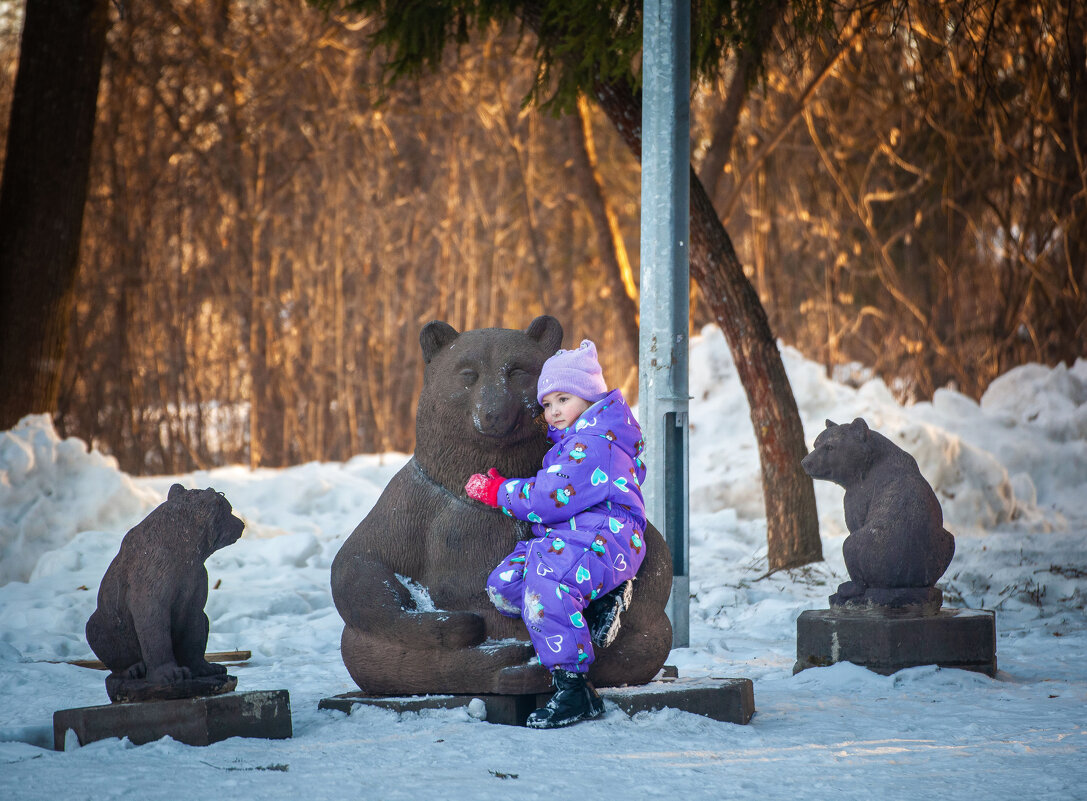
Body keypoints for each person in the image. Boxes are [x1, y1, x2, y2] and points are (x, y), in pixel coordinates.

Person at [465, 339, 647, 728]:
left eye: (563, 399)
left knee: (545, 587)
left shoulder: (593, 444)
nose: (553, 412)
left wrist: (500, 492)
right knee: (504, 585)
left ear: (589, 396)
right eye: (547, 404)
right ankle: (598, 600)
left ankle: (574, 687)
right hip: (569, 540)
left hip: (606, 535)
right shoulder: (570, 443)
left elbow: (549, 497)